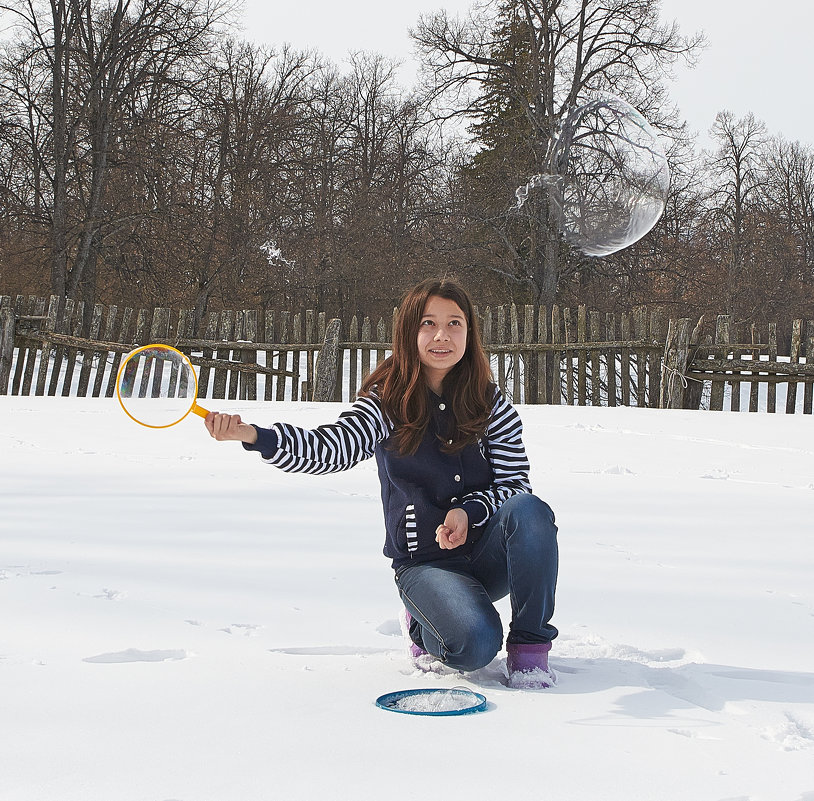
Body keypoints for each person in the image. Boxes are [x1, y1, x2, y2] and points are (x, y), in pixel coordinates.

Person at [204, 278, 559, 689]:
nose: (442, 335)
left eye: (455, 323)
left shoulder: (490, 403)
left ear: (470, 332)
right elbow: (331, 448)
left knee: (531, 513)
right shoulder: (387, 403)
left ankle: (530, 653)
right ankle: (423, 621)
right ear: (409, 331)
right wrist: (254, 436)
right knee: (475, 647)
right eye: (428, 323)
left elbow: (516, 485)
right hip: (426, 564)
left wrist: (469, 510)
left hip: (489, 556)